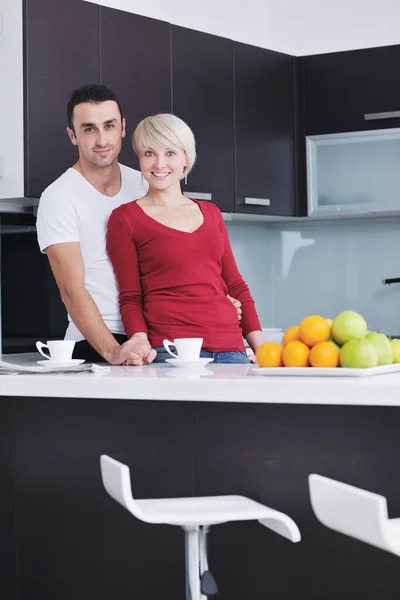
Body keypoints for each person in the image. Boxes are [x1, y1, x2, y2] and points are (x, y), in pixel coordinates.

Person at [36, 84, 242, 364]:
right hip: (98, 342)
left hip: (154, 338)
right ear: (73, 136)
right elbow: (71, 289)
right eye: (88, 129)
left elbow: (184, 257)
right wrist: (113, 351)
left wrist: (214, 301)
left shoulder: (146, 180)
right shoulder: (59, 197)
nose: (101, 139)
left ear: (122, 127)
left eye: (108, 126)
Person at [106, 113, 263, 365]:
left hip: (232, 349)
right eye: (149, 153)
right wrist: (138, 339)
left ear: (185, 158)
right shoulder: (125, 219)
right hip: (171, 351)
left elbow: (235, 286)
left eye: (170, 153)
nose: (159, 164)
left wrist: (263, 349)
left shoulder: (211, 213)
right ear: (139, 159)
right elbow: (131, 296)